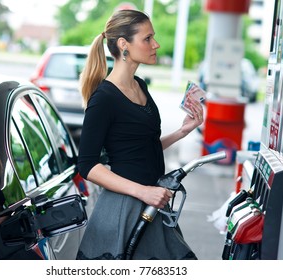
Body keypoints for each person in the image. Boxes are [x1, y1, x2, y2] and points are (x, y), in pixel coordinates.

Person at [76, 9, 204, 260]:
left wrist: (181, 132)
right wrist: (143, 192)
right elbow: (87, 165)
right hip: (125, 210)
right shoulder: (104, 98)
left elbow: (141, 147)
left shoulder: (140, 85)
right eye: (147, 38)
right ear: (124, 45)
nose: (155, 44)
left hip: (151, 203)